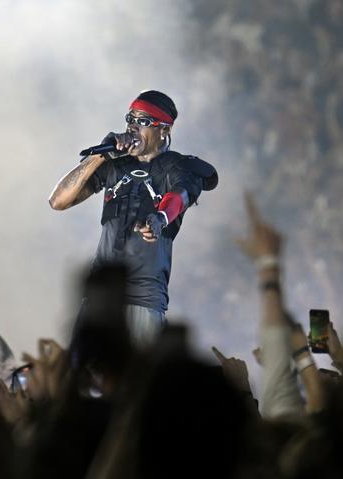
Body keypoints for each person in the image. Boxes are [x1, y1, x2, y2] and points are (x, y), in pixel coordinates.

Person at [49, 90, 218, 342]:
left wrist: (160, 219)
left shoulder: (178, 166)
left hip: (143, 301)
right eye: (130, 119)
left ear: (164, 130)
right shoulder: (115, 165)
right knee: (82, 379)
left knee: (137, 381)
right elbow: (58, 200)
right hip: (99, 301)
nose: (133, 127)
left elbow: (181, 195)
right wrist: (99, 156)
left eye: (143, 121)